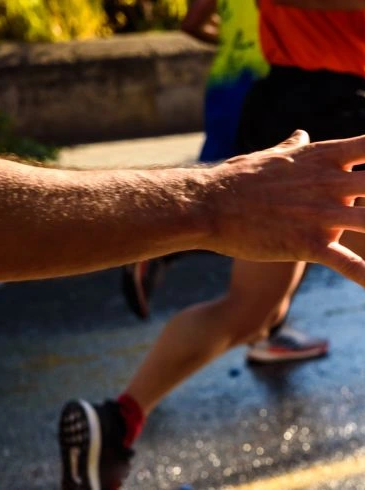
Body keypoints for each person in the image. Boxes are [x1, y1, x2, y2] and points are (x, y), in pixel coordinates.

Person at [57, 2, 365, 490]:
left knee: (252, 310)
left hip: (277, 102)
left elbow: (196, 19)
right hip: (338, 108)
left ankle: (117, 422)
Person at [0, 133, 365, 287]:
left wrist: (213, 205)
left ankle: (122, 417)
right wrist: (212, 202)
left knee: (252, 312)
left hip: (302, 113)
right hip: (333, 100)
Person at [124, 0, 330, 365]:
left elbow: (192, 22)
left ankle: (269, 328)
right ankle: (162, 245)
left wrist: (234, 37)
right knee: (280, 209)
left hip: (227, 78)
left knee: (232, 196)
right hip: (270, 79)